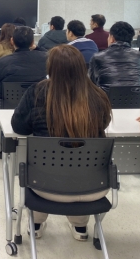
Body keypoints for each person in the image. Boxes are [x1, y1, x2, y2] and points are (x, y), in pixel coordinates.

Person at [11, 44, 112, 240]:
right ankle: (80, 227)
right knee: (78, 166)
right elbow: (104, 124)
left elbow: (19, 127)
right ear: (82, 67)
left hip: (44, 187)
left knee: (41, 168)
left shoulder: (37, 92)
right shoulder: (98, 96)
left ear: (51, 68)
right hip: (94, 187)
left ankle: (35, 224)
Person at [0, 26, 48, 159]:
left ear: (12, 41)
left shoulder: (3, 62)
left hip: (6, 105)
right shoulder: (45, 58)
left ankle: (5, 143)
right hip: (38, 107)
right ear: (33, 42)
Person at [89, 21, 140, 92]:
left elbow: (92, 82)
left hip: (106, 98)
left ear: (112, 38)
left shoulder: (97, 57)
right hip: (138, 98)